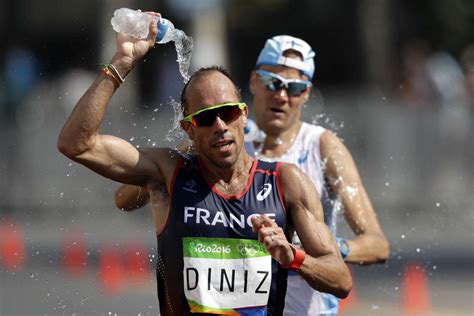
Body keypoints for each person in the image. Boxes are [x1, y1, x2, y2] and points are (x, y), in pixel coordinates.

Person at [57, 17, 351, 315]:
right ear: (188, 129)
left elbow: (340, 280)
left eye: (228, 113)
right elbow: (77, 143)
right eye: (207, 118)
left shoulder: (286, 181)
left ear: (243, 114)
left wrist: (294, 257)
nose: (221, 126)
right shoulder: (168, 173)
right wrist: (121, 62)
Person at [116, 34, 390, 315]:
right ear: (254, 82)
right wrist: (188, 146)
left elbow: (377, 245)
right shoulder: (221, 137)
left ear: (306, 93)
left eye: (295, 87)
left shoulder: (321, 146)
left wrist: (305, 248)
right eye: (272, 83)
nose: (281, 95)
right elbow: (125, 199)